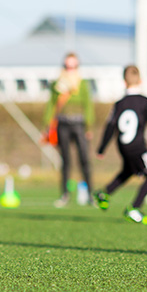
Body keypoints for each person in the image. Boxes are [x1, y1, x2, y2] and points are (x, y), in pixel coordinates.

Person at [93, 65, 147, 224]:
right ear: (141, 81)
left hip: (122, 145)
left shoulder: (119, 103)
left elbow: (110, 126)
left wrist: (102, 148)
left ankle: (105, 193)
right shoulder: (146, 100)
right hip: (138, 146)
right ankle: (134, 208)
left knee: (129, 170)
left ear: (125, 82)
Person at [42, 52, 94, 208]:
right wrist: (47, 124)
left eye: (74, 66)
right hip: (63, 124)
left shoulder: (83, 84)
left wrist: (89, 126)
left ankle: (90, 194)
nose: (70, 69)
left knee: (84, 160)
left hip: (79, 124)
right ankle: (64, 194)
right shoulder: (57, 84)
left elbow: (88, 105)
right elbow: (51, 104)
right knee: (65, 161)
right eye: (67, 66)